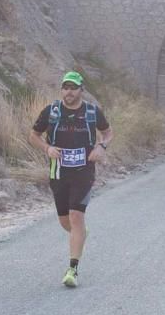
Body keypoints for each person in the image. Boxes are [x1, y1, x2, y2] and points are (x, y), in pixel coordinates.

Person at [29, 71, 113, 288]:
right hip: (58, 171)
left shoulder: (92, 112)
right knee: (66, 221)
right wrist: (47, 148)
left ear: (81, 90)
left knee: (76, 216)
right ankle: (80, 233)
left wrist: (101, 147)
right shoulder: (52, 111)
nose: (68, 91)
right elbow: (33, 136)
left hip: (84, 171)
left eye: (73, 88)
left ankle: (72, 270)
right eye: (65, 87)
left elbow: (108, 132)